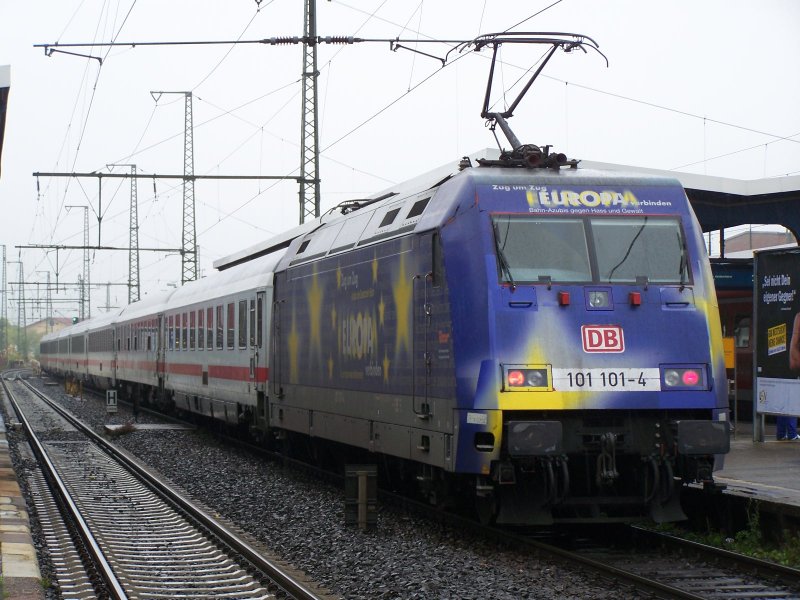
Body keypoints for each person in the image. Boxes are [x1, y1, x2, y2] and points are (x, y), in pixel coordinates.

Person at [778, 312, 800, 440]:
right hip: (793, 373)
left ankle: (781, 433)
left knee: (783, 404)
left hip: (783, 371)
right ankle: (791, 434)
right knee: (791, 404)